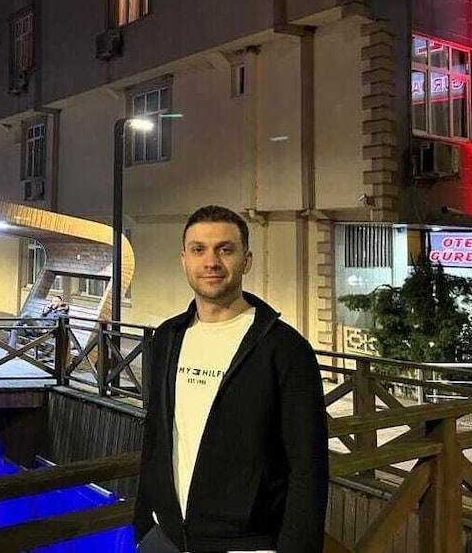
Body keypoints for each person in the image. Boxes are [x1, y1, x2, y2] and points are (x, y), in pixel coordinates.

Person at [134, 205, 328, 553]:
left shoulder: (284, 348)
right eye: (198, 249)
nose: (211, 261)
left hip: (246, 544)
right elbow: (156, 438)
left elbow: (308, 468)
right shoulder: (166, 337)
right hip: (164, 539)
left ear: (246, 260)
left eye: (225, 249)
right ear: (184, 260)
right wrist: (143, 526)